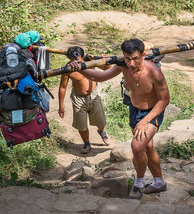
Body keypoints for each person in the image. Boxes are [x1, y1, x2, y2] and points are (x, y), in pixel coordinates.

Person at [68, 38, 170, 199]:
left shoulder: (154, 72)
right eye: (127, 58)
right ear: (124, 56)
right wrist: (80, 68)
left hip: (152, 112)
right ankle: (159, 183)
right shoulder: (123, 66)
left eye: (135, 58)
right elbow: (101, 76)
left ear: (143, 55)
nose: (131, 63)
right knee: (147, 147)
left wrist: (145, 121)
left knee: (137, 147)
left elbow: (164, 100)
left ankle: (139, 183)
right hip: (135, 110)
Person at [59, 46, 110, 154]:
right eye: (74, 60)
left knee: (101, 121)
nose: (77, 62)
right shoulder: (67, 69)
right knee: (81, 124)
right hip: (78, 97)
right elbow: (62, 87)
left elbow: (107, 68)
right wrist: (61, 106)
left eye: (79, 60)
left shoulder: (91, 61)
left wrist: (106, 59)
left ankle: (101, 131)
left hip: (94, 95)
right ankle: (86, 143)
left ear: (82, 56)